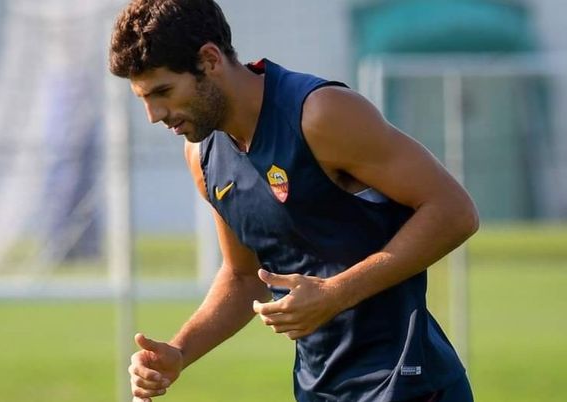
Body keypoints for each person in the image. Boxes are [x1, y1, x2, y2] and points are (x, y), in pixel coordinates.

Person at [109, 1, 479, 401]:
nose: (154, 114)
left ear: (210, 59)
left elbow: (454, 211)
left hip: (409, 384)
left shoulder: (319, 114)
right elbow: (243, 276)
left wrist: (336, 293)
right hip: (317, 389)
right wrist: (179, 352)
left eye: (163, 92)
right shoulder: (203, 155)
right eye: (144, 99)